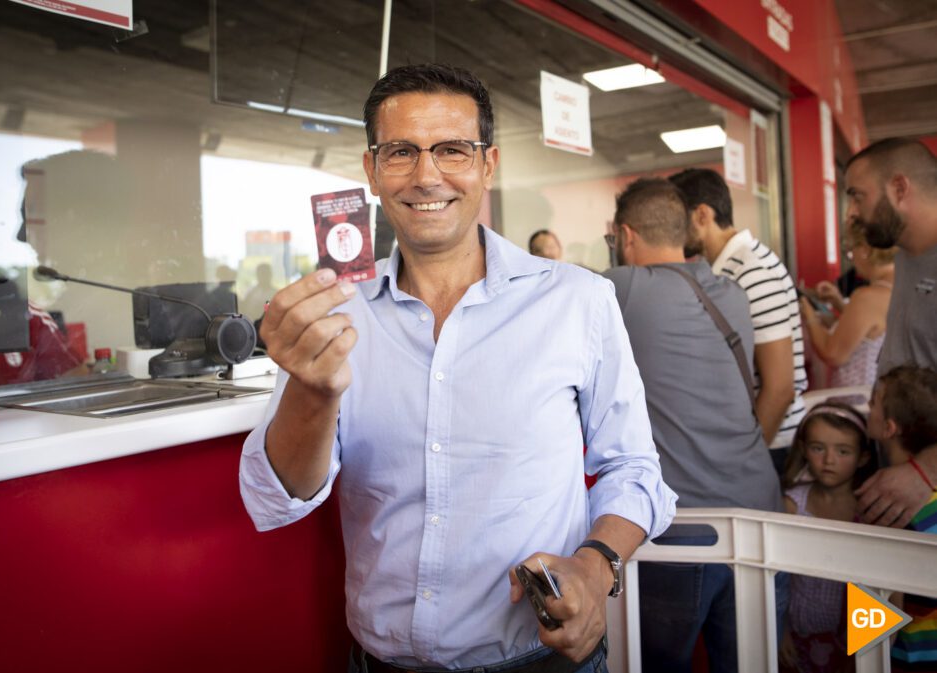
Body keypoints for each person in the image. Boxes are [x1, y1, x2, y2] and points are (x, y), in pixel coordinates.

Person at [239, 64, 677, 673]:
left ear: (488, 164)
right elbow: (276, 497)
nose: (426, 176)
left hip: (538, 659)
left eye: (452, 150)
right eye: (400, 152)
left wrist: (593, 565)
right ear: (370, 170)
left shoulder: (577, 300)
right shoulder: (334, 315)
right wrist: (312, 391)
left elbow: (632, 465)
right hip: (379, 662)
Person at [602, 178, 783, 673]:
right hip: (761, 516)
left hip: (686, 528)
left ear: (626, 236)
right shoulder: (732, 294)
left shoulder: (624, 288)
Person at [670, 168, 807, 473]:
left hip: (772, 446)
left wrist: (747, 463)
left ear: (702, 215)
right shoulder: (730, 267)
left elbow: (780, 387)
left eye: (677, 220)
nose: (673, 231)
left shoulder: (750, 270)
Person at [842, 138, 937, 529]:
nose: (851, 213)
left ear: (900, 189)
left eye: (857, 197)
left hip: (924, 483)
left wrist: (926, 472)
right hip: (904, 477)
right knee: (883, 591)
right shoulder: (907, 256)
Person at [779, 402, 877, 673]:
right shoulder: (792, 505)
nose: (829, 460)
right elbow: (776, 576)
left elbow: (885, 588)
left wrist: (867, 648)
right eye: (818, 448)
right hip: (797, 635)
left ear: (863, 457)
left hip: (852, 643)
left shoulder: (870, 510)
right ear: (803, 449)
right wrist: (780, 628)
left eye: (843, 451)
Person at [866, 365, 937, 672]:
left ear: (889, 428)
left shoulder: (887, 507)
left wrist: (862, 659)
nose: (867, 410)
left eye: (872, 404)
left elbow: (880, 607)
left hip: (907, 660)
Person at [801, 219, 895, 387]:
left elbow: (833, 353)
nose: (852, 259)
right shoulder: (897, 285)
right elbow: (871, 329)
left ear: (865, 250)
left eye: (852, 251)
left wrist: (808, 313)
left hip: (856, 399)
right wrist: (839, 303)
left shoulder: (868, 297)